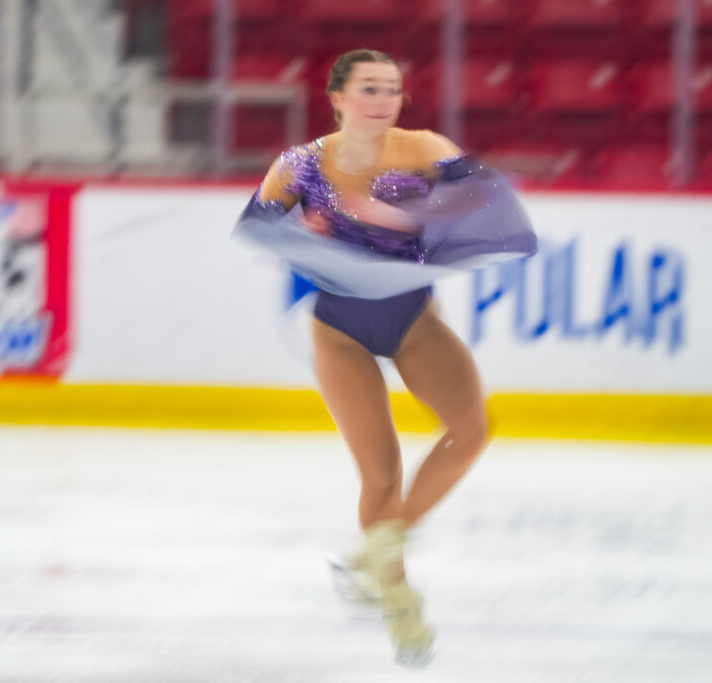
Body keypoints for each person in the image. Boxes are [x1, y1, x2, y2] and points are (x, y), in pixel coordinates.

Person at [234, 49, 537, 666]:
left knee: (472, 430)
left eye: (393, 90)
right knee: (381, 472)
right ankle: (398, 598)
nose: (382, 100)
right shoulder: (299, 164)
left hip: (413, 319)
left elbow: (488, 200)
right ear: (338, 98)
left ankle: (377, 551)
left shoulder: (424, 148)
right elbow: (256, 226)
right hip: (339, 331)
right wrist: (308, 236)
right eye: (369, 88)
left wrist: (409, 213)